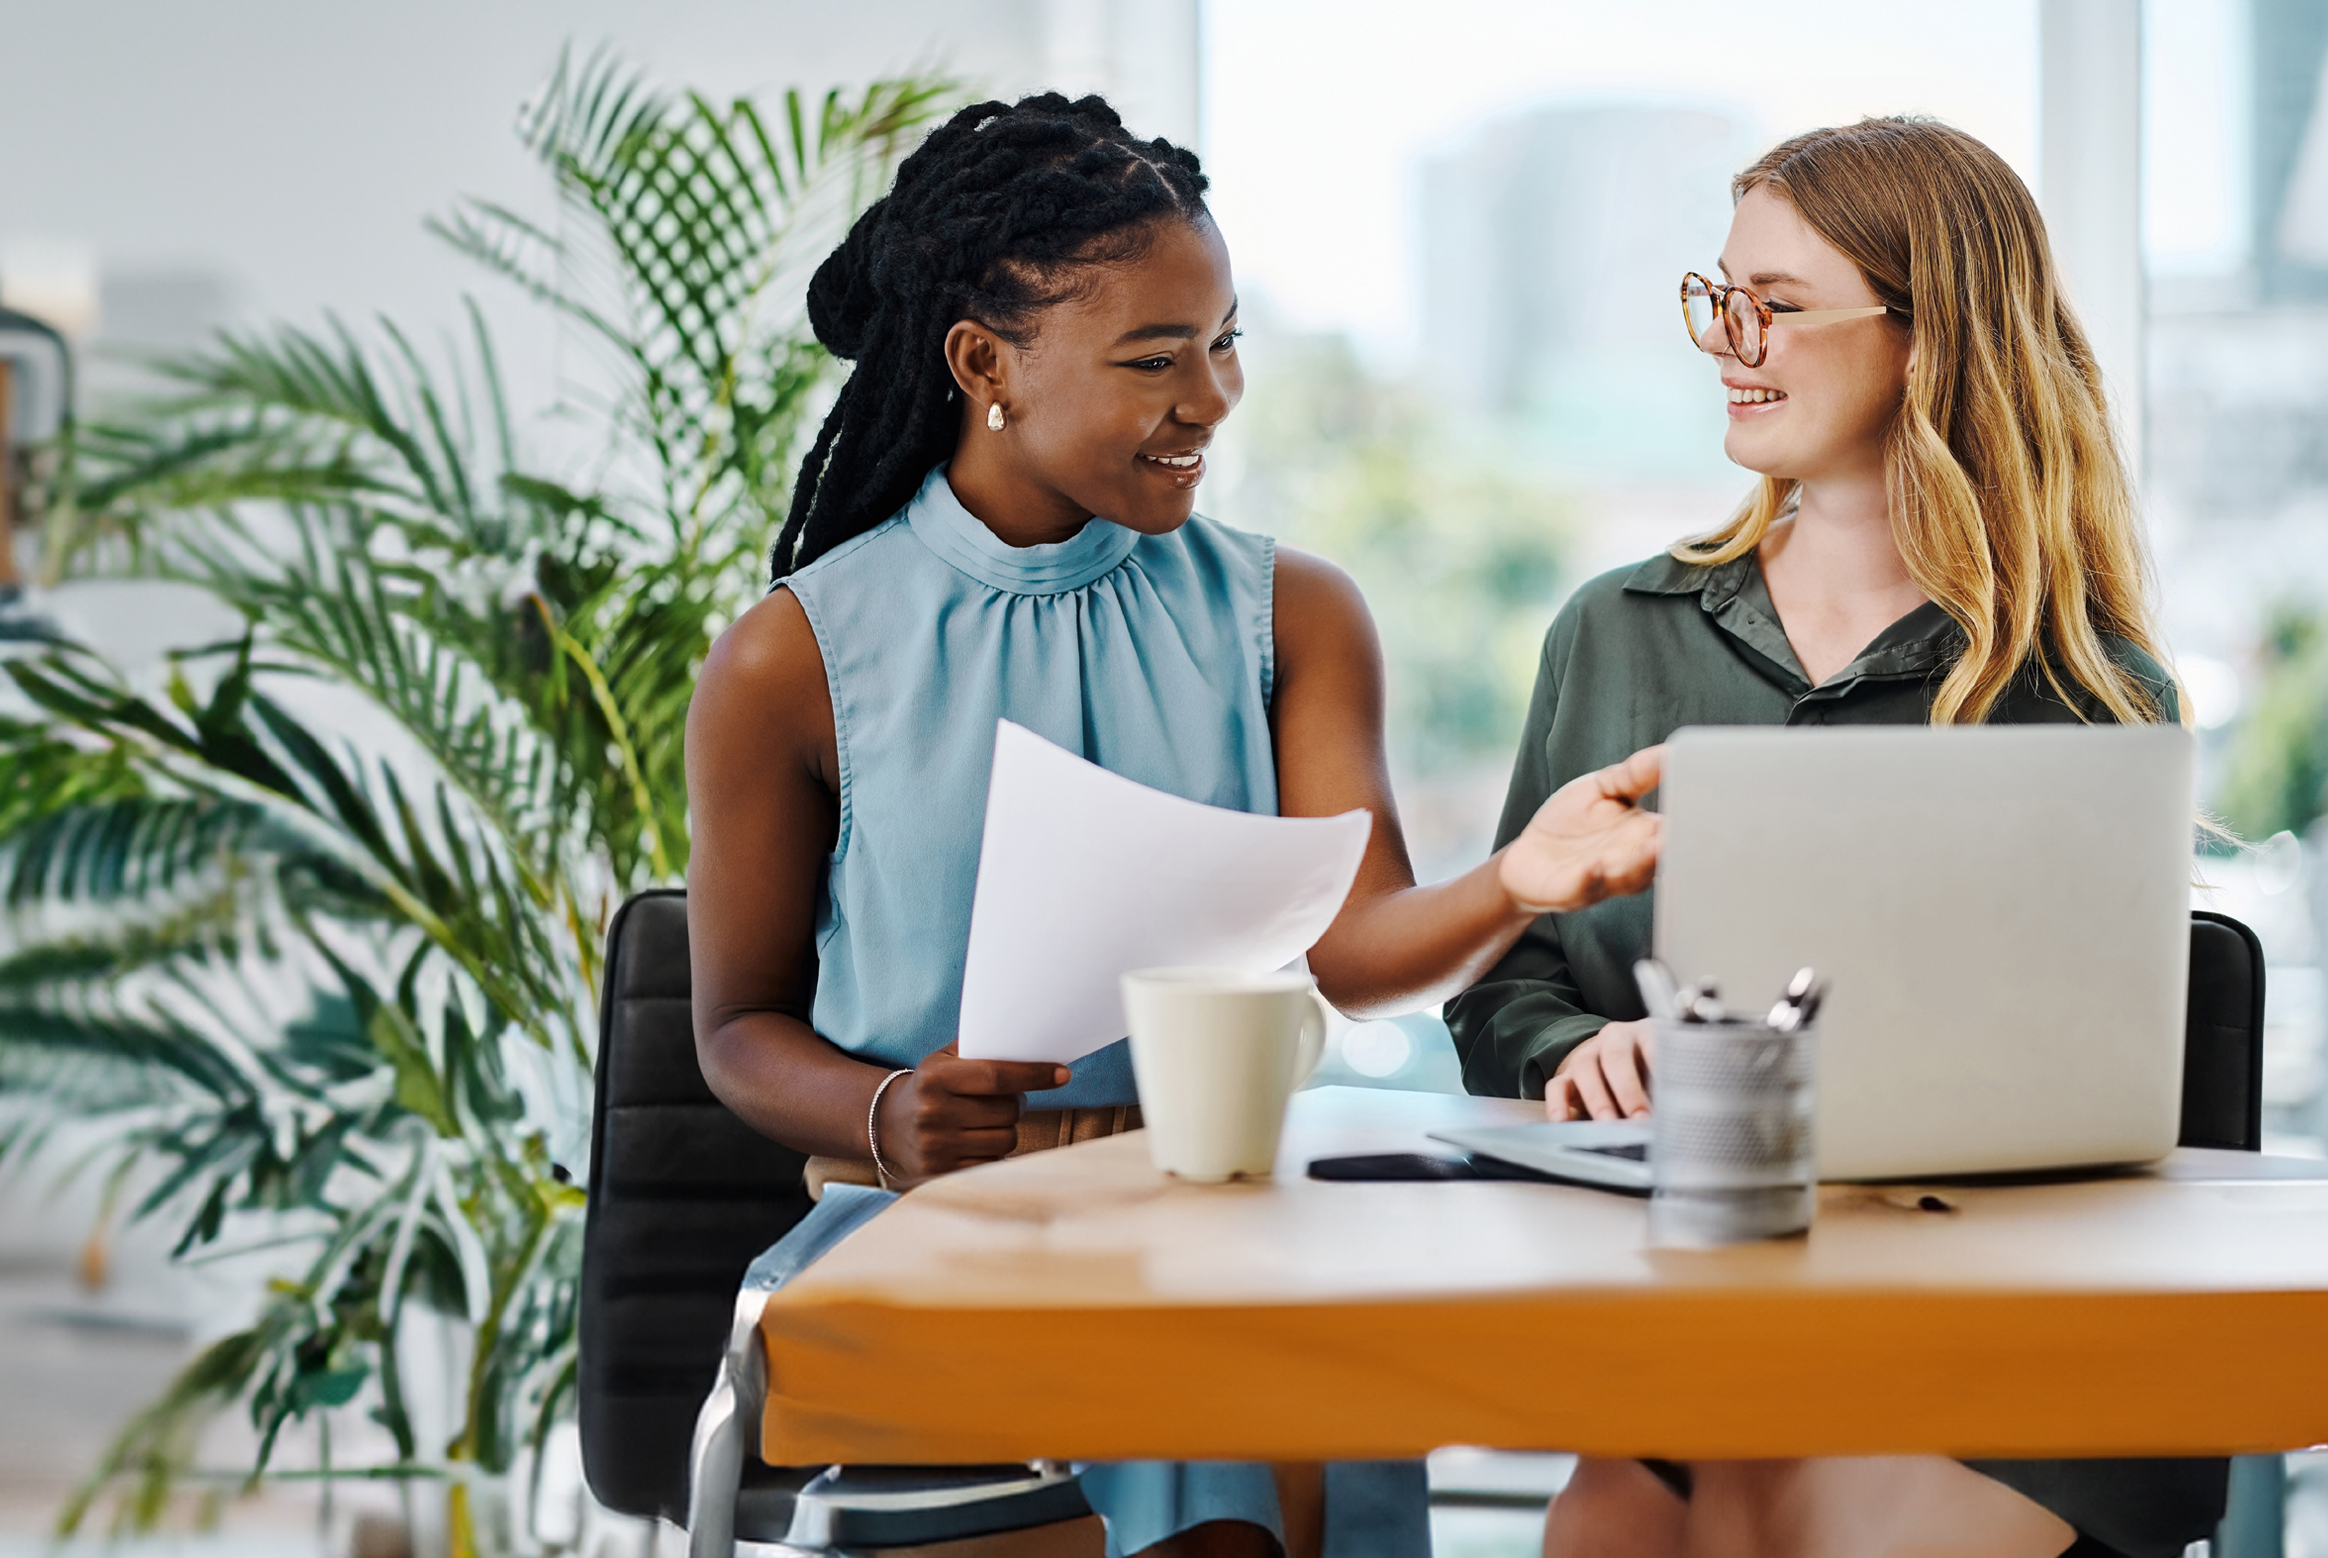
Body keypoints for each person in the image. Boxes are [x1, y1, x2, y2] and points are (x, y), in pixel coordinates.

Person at [686, 93, 1664, 1558]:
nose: (1212, 398)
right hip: (943, 1236)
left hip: (1217, 1211)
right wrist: (885, 1111)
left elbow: (1349, 948)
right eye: (1157, 359)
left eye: (1223, 345)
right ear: (983, 364)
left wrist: (1515, 879)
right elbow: (735, 1030)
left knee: (1276, 1398)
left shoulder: (1295, 613)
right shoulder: (796, 657)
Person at [1441, 116, 2219, 1558]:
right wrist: (1574, 1053)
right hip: (1694, 1340)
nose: (1730, 340)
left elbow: (2100, 1077)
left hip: (2004, 1357)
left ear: (1931, 336)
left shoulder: (2092, 689)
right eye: (1719, 296)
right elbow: (1502, 988)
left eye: (1779, 306)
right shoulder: (1615, 632)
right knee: (1600, 1537)